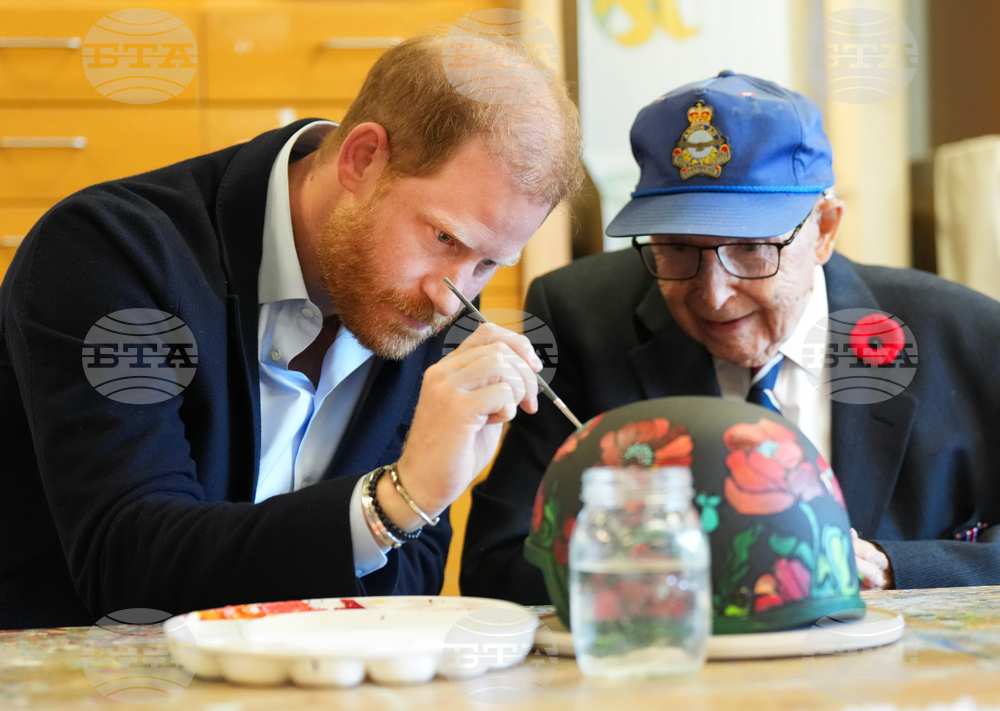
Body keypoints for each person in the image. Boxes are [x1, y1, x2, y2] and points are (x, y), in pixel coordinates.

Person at [0, 33, 582, 629]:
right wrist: (395, 502)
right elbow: (126, 567)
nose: (450, 294)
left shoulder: (433, 293)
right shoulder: (109, 254)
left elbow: (412, 583)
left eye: (488, 262)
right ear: (361, 159)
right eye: (443, 238)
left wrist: (418, 503)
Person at [462, 71, 1000, 603]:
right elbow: (498, 565)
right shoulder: (581, 318)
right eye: (676, 249)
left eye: (750, 250)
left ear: (825, 230)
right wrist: (681, 568)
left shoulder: (968, 336)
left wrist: (894, 568)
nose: (714, 294)